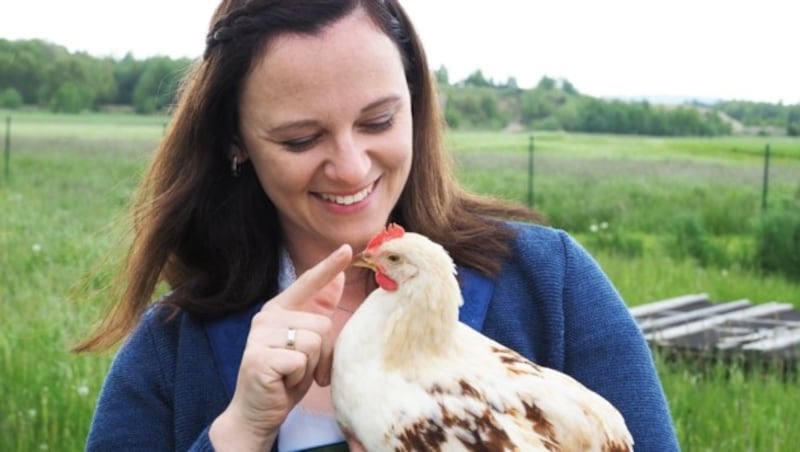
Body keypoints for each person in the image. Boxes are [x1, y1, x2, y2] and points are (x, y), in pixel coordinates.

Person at [77, 0, 680, 450]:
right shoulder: (171, 352)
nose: (350, 166)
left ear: (415, 105)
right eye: (301, 137)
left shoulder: (553, 286)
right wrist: (239, 431)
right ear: (236, 142)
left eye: (378, 120)